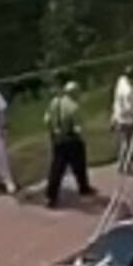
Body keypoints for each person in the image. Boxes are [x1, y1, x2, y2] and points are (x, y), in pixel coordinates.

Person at [45, 79, 94, 208]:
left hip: (57, 139)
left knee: (57, 168)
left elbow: (46, 119)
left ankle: (51, 196)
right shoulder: (74, 107)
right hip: (71, 140)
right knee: (79, 165)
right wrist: (82, 137)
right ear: (74, 93)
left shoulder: (55, 102)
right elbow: (78, 128)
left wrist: (54, 131)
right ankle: (84, 188)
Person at [110, 65, 133, 173]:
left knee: (128, 141)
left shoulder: (121, 81)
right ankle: (124, 165)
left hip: (119, 116)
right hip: (128, 120)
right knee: (128, 144)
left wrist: (113, 116)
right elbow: (130, 109)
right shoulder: (129, 91)